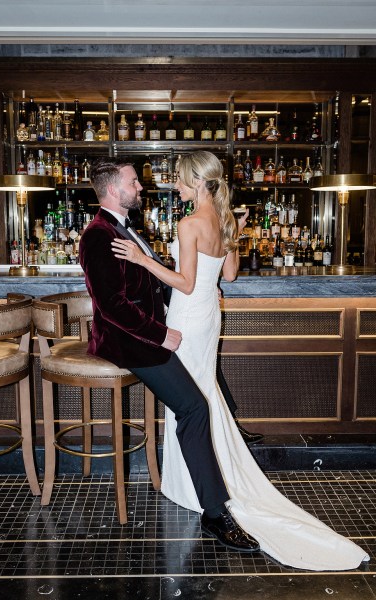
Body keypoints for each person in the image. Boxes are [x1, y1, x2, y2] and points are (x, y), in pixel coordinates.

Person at [111, 151, 369, 571]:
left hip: (190, 316)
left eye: (178, 179)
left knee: (189, 398)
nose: (174, 185)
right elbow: (227, 276)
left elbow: (186, 281)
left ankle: (193, 486)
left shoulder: (189, 222)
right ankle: (199, 481)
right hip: (209, 317)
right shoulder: (225, 220)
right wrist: (234, 237)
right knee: (200, 391)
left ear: (196, 181)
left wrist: (143, 260)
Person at [79, 156, 259, 554]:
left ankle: (210, 476)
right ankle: (215, 515)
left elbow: (150, 282)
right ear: (113, 189)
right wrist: (161, 335)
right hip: (131, 342)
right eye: (133, 182)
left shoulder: (127, 227)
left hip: (159, 331)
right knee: (194, 407)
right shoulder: (97, 234)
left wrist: (188, 295)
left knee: (203, 391)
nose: (141, 187)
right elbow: (111, 306)